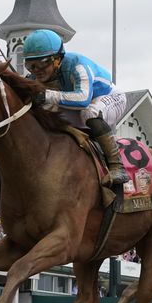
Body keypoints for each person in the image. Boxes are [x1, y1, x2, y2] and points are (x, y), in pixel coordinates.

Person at [23, 29, 128, 187]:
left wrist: (46, 95)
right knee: (45, 110)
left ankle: (117, 166)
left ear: (57, 59)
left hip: (109, 98)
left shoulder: (77, 65)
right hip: (80, 102)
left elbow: (83, 99)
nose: (36, 70)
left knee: (89, 112)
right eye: (31, 65)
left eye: (41, 63)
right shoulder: (36, 75)